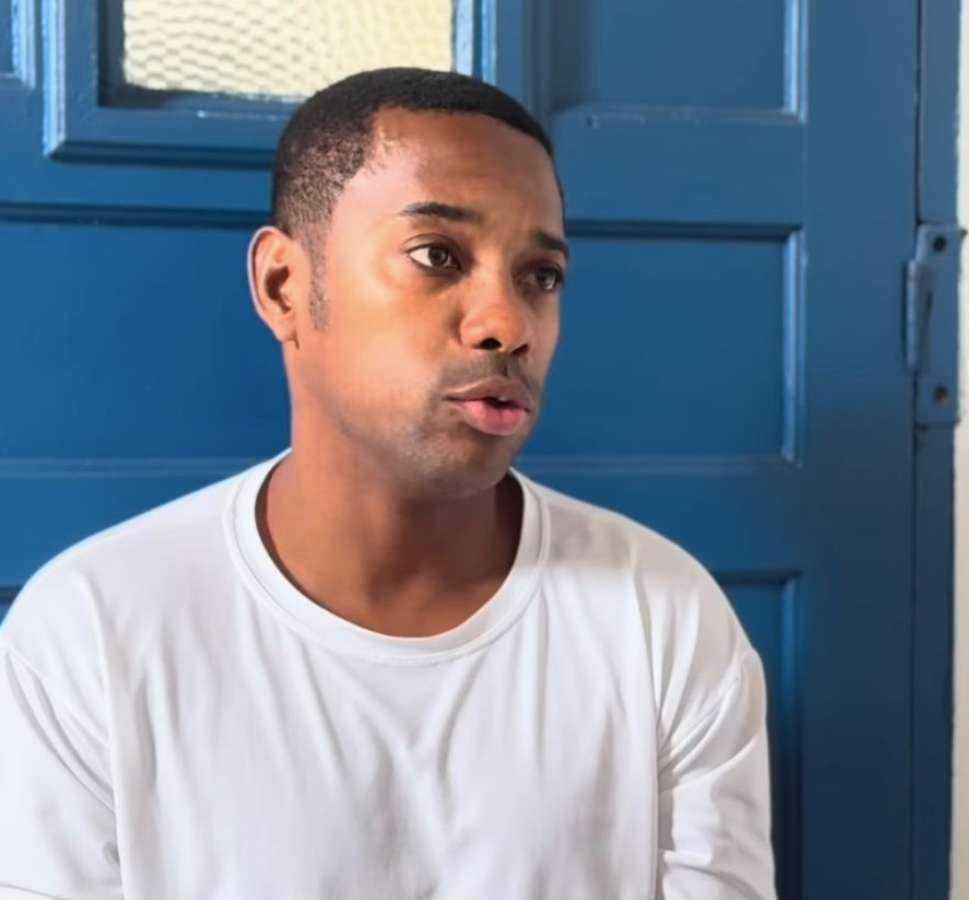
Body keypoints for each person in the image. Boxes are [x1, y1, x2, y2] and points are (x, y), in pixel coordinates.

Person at [0, 67, 775, 899]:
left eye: (540, 276)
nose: (508, 324)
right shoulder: (90, 634)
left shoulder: (662, 620)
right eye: (437, 256)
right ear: (283, 286)